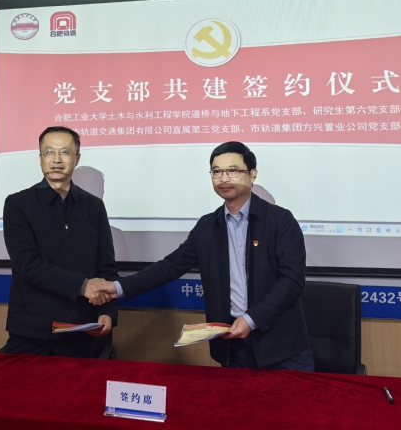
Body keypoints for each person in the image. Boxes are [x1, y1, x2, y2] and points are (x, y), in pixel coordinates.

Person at [97, 141, 313, 370]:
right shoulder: (208, 226)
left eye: (233, 171)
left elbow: (292, 281)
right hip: (233, 344)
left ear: (252, 174)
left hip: (282, 345)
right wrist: (118, 287)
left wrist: (252, 319)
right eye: (216, 172)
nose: (224, 178)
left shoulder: (280, 220)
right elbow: (171, 266)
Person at [0, 126, 118, 358]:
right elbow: (27, 265)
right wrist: (82, 285)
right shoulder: (18, 204)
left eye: (64, 152)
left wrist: (108, 313)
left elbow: (106, 267)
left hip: (83, 330)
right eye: (49, 152)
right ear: (40, 158)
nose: (56, 160)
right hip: (32, 331)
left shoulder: (94, 206)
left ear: (77, 158)